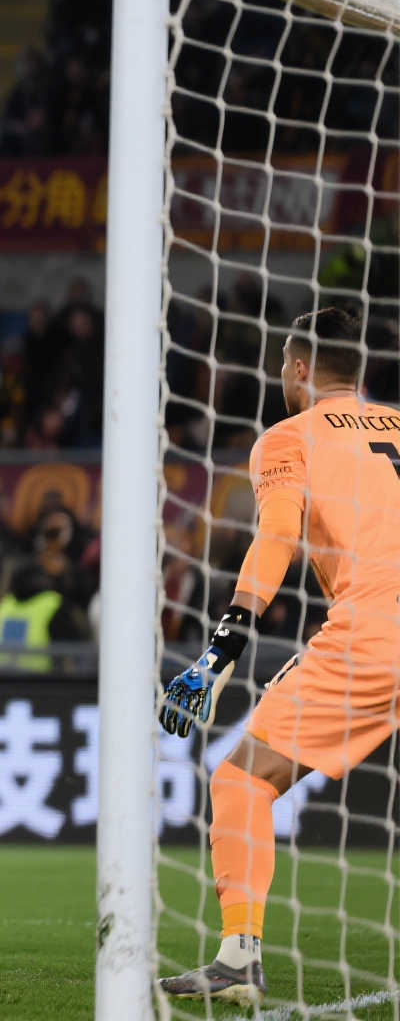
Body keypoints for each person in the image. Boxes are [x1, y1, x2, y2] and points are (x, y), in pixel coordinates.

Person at [159, 309, 400, 1006]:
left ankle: (239, 958)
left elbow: (276, 539)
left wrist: (221, 648)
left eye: (282, 366)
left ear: (298, 369)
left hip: (376, 631)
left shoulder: (290, 438)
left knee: (241, 779)